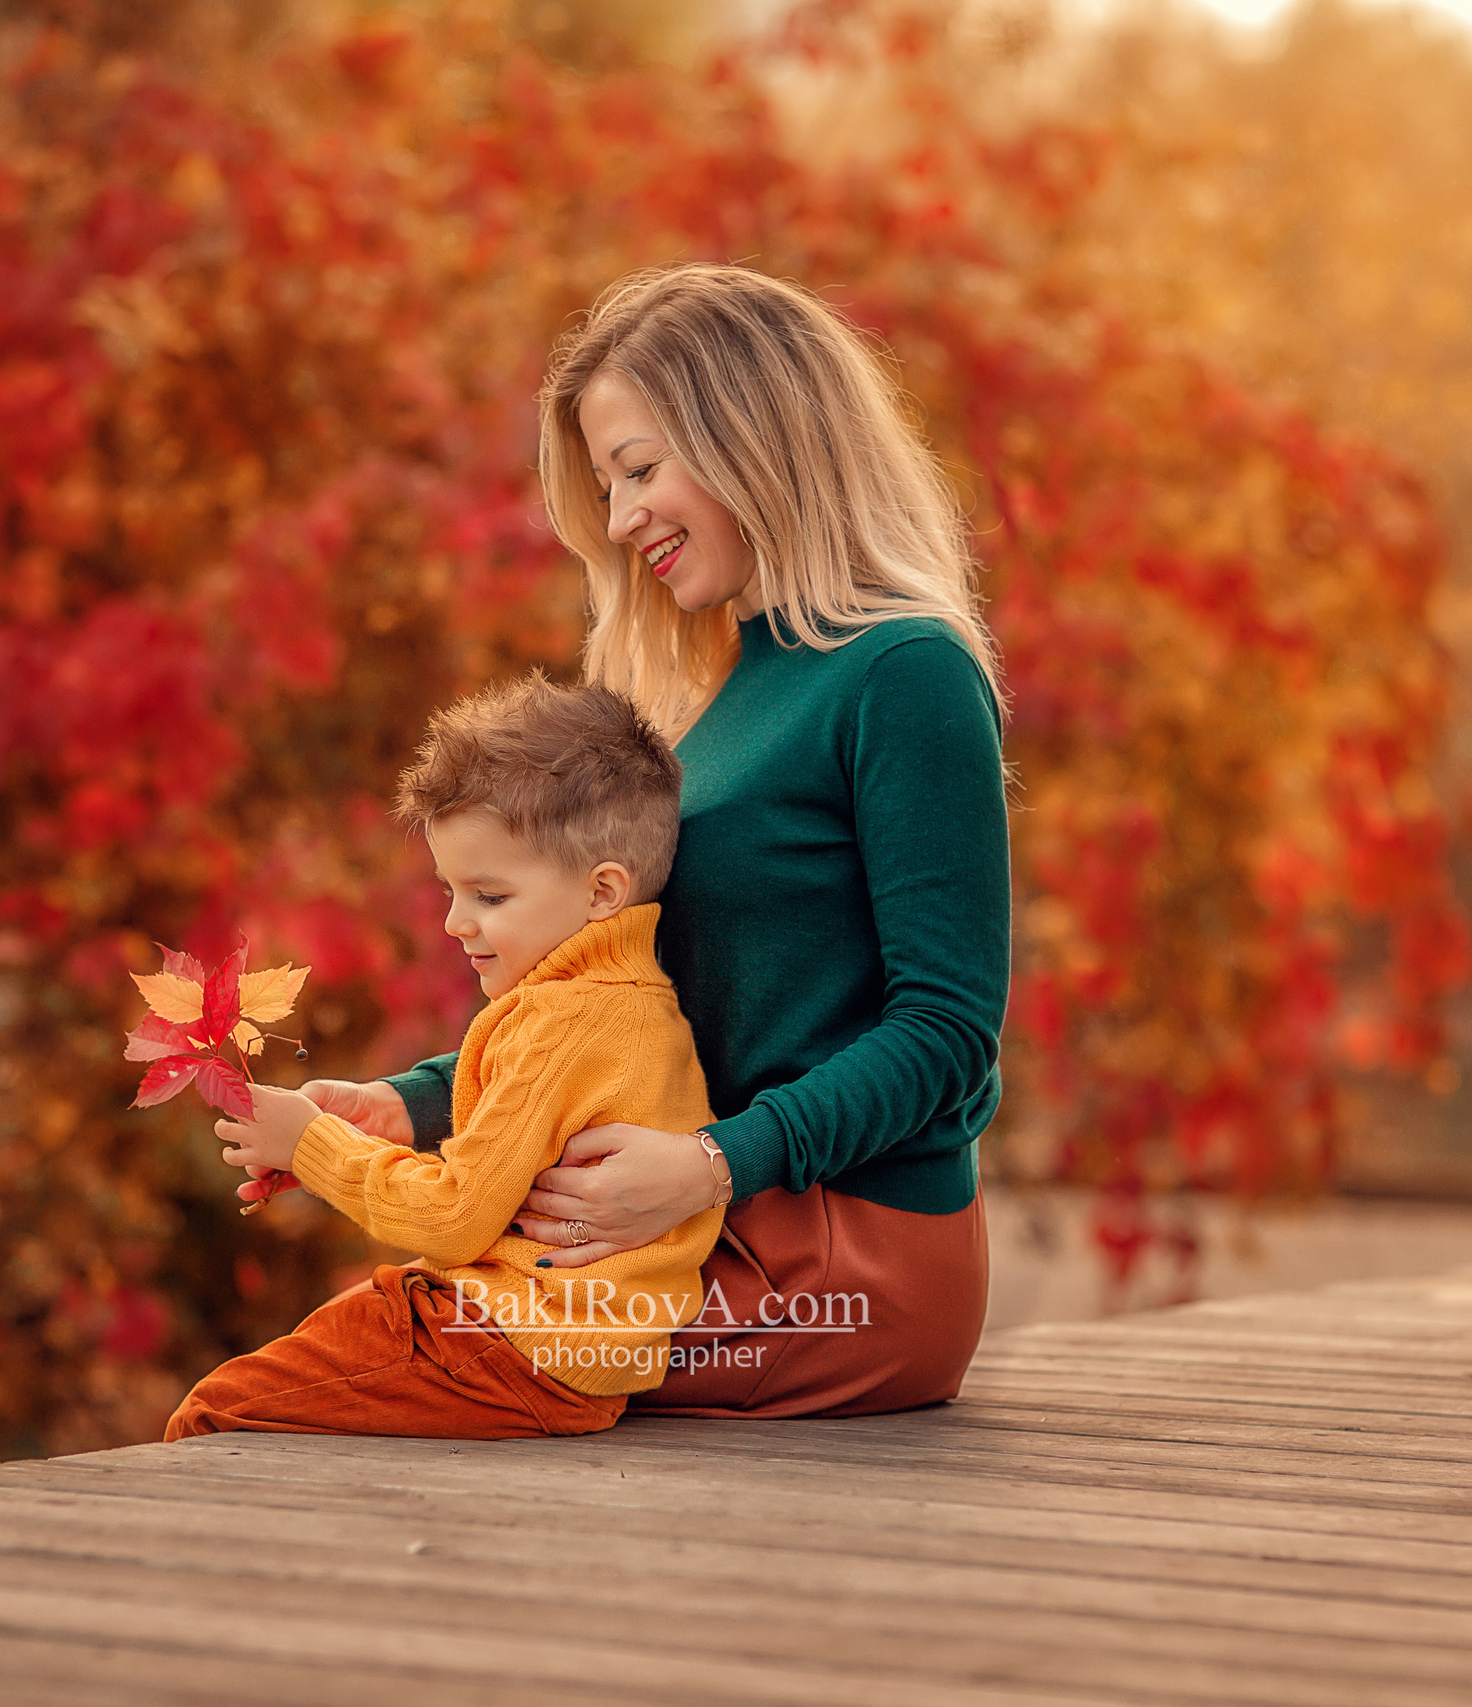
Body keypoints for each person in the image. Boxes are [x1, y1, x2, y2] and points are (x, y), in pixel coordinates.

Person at [283, 263, 1008, 1419]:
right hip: (702, 1227)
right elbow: (631, 990)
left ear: (755, 438)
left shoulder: (902, 673)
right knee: (370, 1343)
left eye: (637, 471)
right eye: (607, 489)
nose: (620, 524)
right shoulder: (718, 693)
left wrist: (715, 1162)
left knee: (392, 1348)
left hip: (847, 1262)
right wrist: (416, 1102)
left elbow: (946, 1034)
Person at [165, 673, 724, 1441]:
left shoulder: (565, 1021)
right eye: (451, 892)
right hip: (545, 1343)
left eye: (490, 896)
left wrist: (313, 1143)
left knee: (212, 1414)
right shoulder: (625, 1003)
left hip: (512, 1347)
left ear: (602, 892)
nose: (457, 923)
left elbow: (456, 1215)